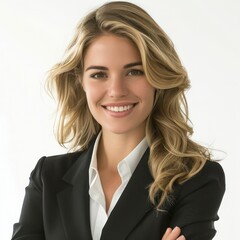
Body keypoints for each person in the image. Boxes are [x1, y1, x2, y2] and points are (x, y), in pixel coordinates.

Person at [11, 1, 225, 240]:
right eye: (99, 74)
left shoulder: (196, 179)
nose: (116, 90)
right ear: (80, 81)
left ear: (158, 77)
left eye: (134, 71)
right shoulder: (47, 178)